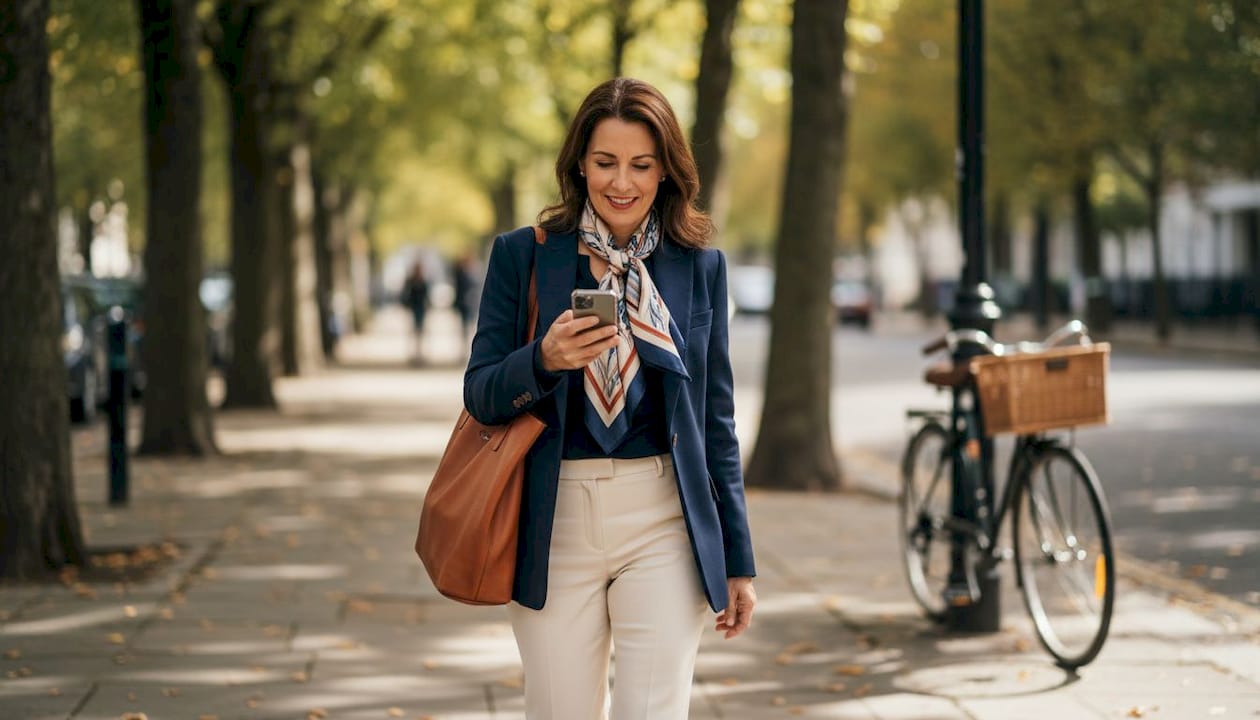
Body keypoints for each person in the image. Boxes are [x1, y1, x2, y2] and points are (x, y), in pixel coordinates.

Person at [463, 77, 757, 719]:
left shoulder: (699, 265)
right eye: (605, 163)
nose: (621, 183)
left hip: (664, 519)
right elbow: (481, 392)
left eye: (641, 165)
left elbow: (716, 420)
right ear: (579, 165)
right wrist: (542, 360)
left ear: (666, 172)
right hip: (555, 517)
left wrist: (738, 558)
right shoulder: (523, 256)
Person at [400, 261, 429, 364]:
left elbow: (426, 296)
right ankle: (413, 354)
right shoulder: (411, 281)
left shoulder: (423, 281)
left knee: (420, 332)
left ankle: (419, 354)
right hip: (413, 309)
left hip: (420, 309)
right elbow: (405, 294)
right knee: (413, 332)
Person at [451, 252, 479, 345]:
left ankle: (466, 339)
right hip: (464, 301)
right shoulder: (460, 273)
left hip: (469, 301)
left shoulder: (469, 272)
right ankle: (465, 340)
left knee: (468, 322)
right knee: (465, 322)